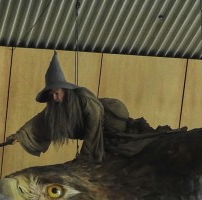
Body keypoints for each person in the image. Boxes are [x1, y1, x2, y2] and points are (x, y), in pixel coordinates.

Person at [9, 53, 154, 163]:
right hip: (96, 132)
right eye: (51, 95)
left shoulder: (84, 97)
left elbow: (94, 124)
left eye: (56, 93)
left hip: (111, 120)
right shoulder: (56, 108)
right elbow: (40, 121)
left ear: (65, 90)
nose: (54, 98)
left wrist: (86, 155)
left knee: (117, 153)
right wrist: (20, 136)